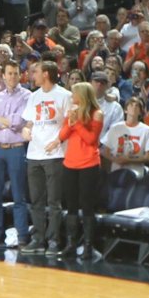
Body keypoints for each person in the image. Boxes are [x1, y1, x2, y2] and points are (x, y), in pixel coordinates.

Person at [21, 60, 70, 255]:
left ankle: (53, 240)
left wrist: (58, 140)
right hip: (34, 154)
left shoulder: (64, 95)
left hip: (55, 154)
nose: (33, 76)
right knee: (36, 200)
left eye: (36, 72)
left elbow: (69, 123)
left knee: (54, 201)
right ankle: (38, 238)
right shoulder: (34, 96)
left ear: (46, 75)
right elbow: (30, 122)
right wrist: (26, 130)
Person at [0, 60, 32, 250]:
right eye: (9, 73)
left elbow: (19, 121)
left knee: (18, 194)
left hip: (16, 148)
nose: (12, 76)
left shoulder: (27, 96)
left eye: (15, 73)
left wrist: (1, 120)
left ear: (20, 75)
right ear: (3, 75)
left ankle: (22, 236)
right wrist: (7, 122)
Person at [57, 82, 104, 258]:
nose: (71, 97)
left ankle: (88, 247)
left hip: (89, 164)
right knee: (71, 206)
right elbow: (62, 136)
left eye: (74, 94)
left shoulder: (97, 114)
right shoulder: (73, 113)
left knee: (87, 206)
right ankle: (71, 244)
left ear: (83, 95)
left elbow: (91, 139)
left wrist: (76, 124)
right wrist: (70, 122)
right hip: (70, 163)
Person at [101, 97, 149, 177]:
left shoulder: (147, 130)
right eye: (131, 105)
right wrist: (116, 160)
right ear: (125, 110)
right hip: (116, 172)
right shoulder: (115, 127)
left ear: (140, 112)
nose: (134, 107)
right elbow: (105, 151)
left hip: (136, 174)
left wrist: (129, 160)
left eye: (137, 106)